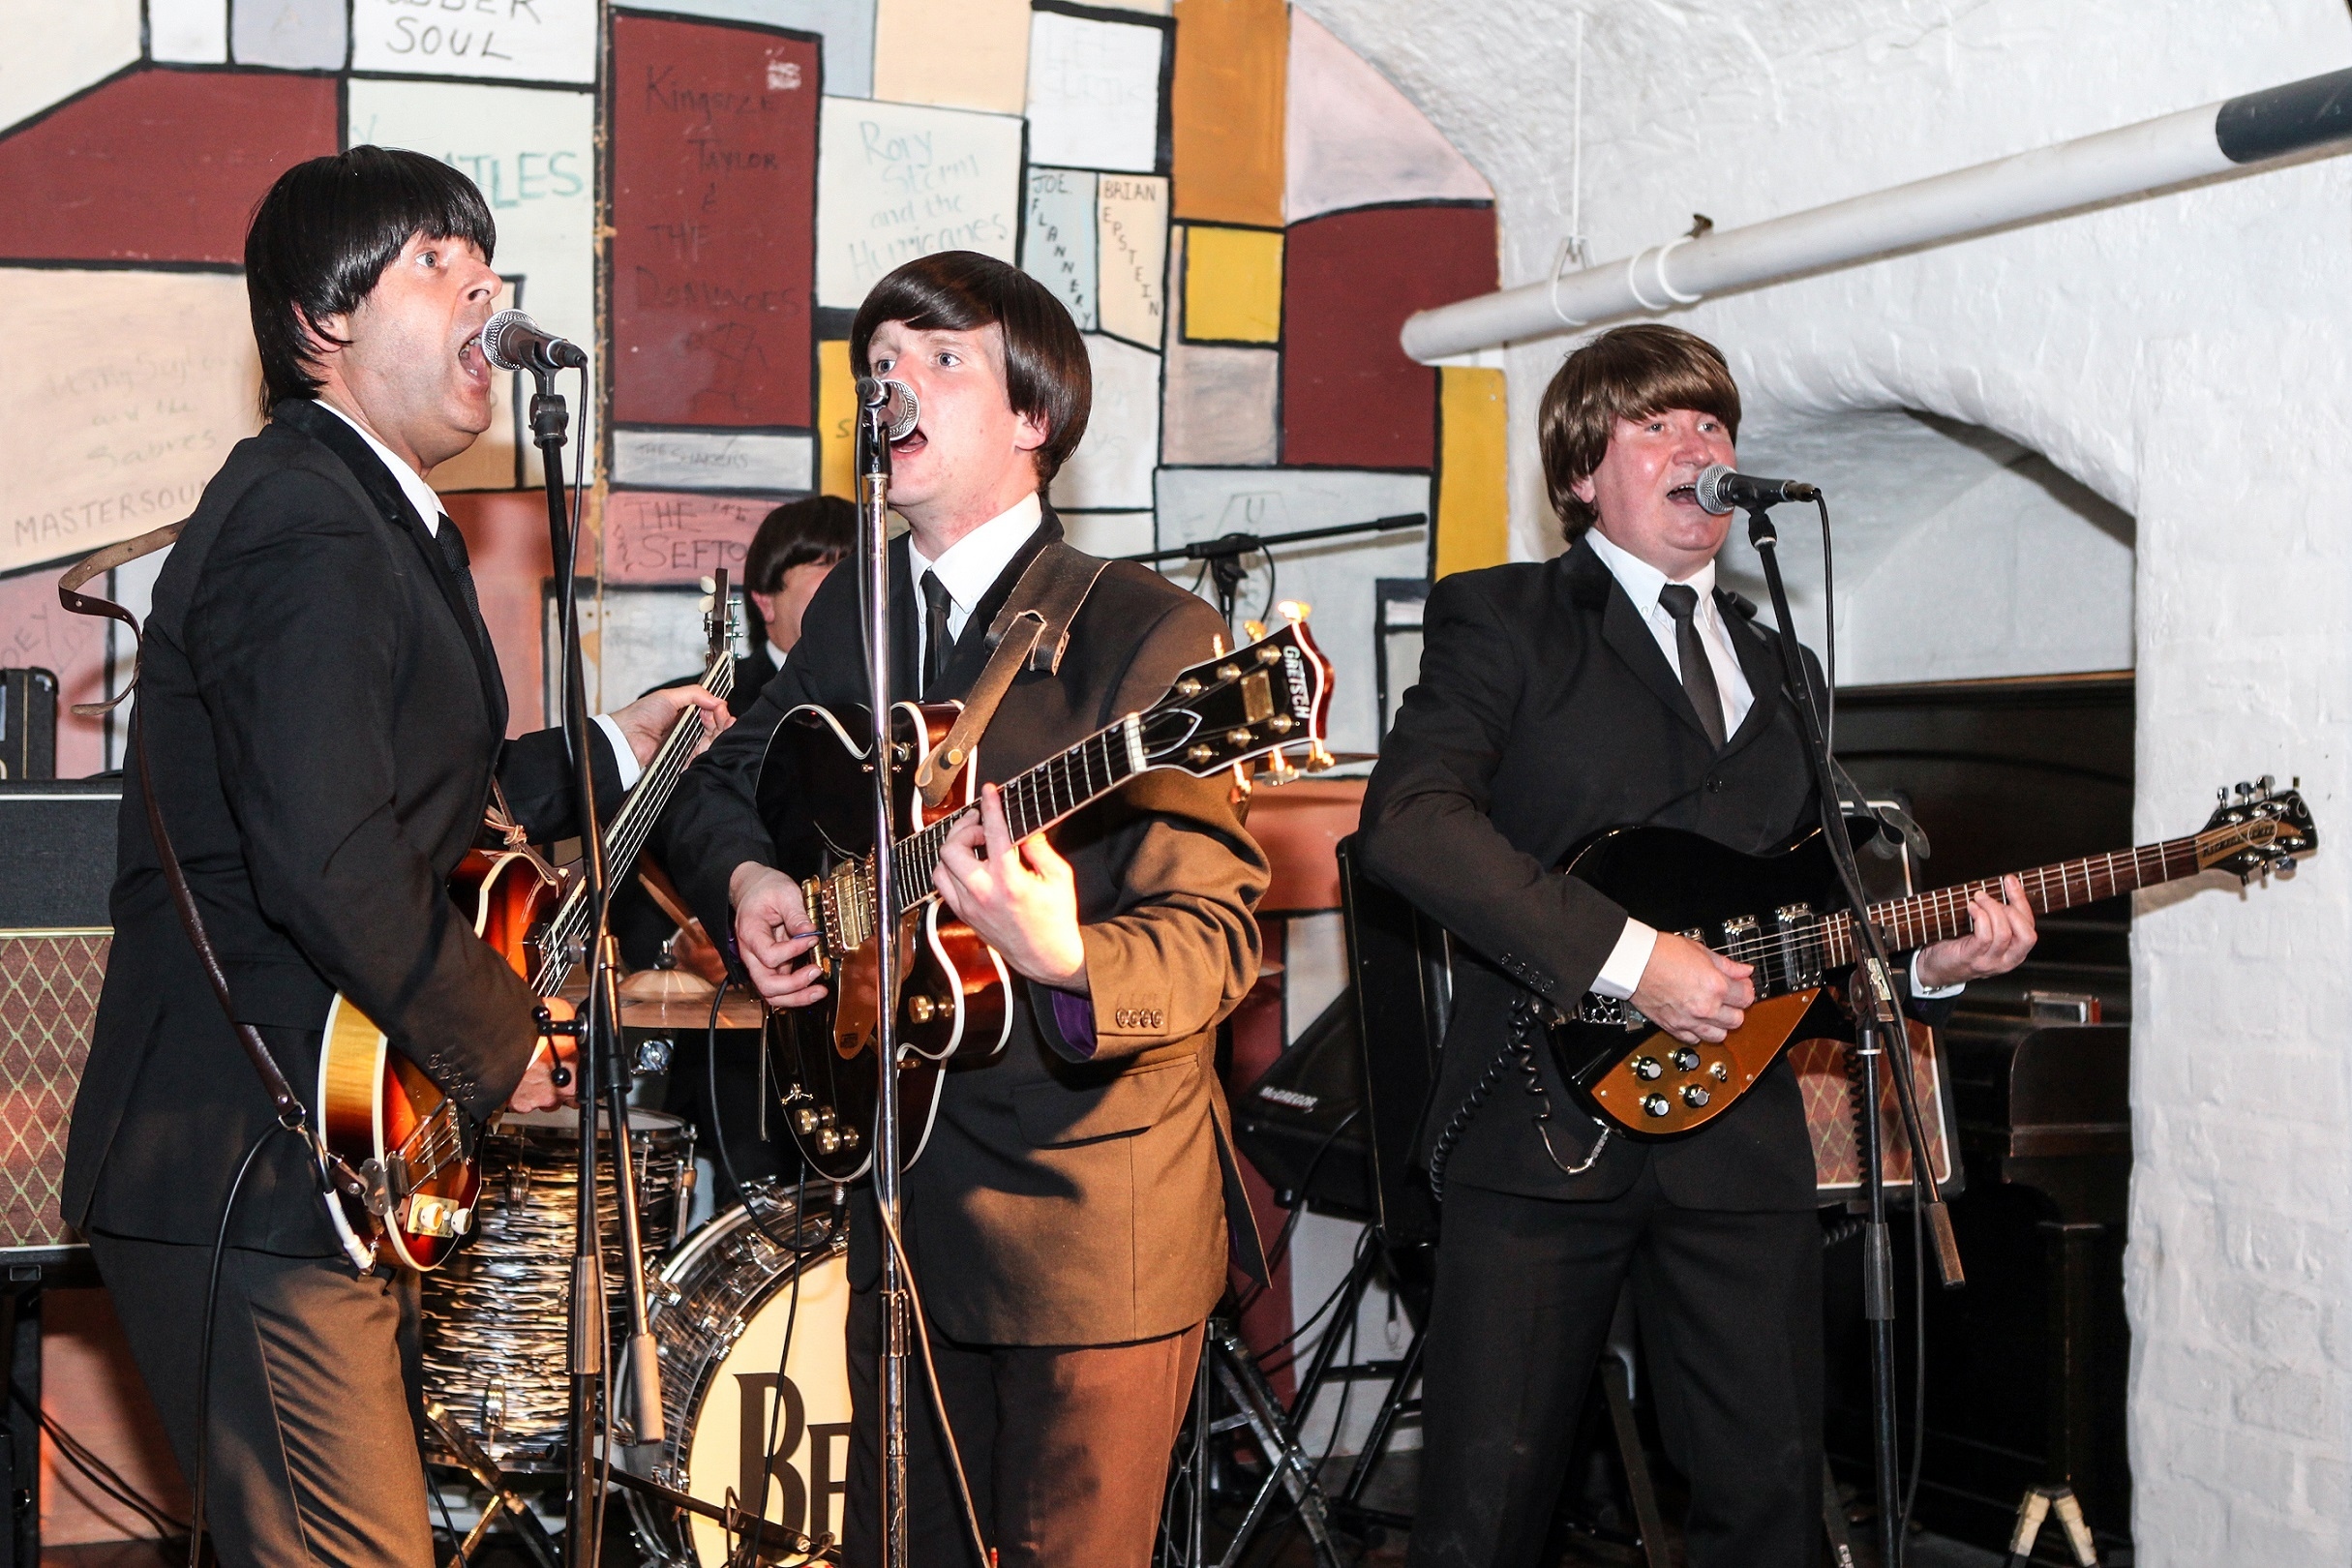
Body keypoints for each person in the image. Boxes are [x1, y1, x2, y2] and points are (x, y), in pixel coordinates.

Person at [60, 147, 726, 1568]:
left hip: (309, 1163)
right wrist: (498, 1039)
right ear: (322, 317)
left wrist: (608, 751)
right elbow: (327, 852)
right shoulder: (307, 516)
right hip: (253, 1164)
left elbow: (412, 799)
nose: (482, 284)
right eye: (433, 257)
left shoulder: (359, 516)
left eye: (483, 260)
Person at [1356, 324, 2037, 1568]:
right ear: (1580, 472)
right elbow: (1408, 824)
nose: (1698, 448)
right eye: (1656, 425)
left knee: (1772, 1500)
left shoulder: (1787, 667)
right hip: (1541, 1119)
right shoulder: (1505, 620)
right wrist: (1631, 961)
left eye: (1713, 425)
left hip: (1737, 1135)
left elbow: (1796, 919)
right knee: (1486, 1511)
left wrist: (1924, 968)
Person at [650, 250, 1267, 1567]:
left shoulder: (1151, 637)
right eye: (878, 367)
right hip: (898, 1203)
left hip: (1085, 1227)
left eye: (941, 360)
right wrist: (755, 882)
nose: (895, 387)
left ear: (1034, 416)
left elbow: (1212, 939)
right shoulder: (857, 615)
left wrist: (1063, 955)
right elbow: (715, 786)